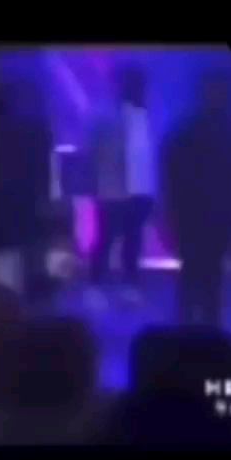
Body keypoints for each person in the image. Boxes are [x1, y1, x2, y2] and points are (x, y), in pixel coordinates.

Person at [161, 68, 231, 326]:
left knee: (205, 273)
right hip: (197, 215)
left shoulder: (223, 133)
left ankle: (197, 324)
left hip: (210, 215)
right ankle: (200, 325)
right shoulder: (195, 133)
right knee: (200, 273)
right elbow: (172, 174)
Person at [87, 62, 156, 307]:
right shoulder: (107, 116)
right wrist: (98, 184)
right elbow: (95, 152)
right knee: (105, 239)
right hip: (112, 190)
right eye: (133, 85)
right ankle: (95, 285)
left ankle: (130, 284)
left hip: (142, 190)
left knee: (133, 240)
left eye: (140, 85)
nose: (138, 89)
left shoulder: (149, 116)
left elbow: (150, 155)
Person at [0, 59, 52, 296]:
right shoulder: (29, 131)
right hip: (12, 210)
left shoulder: (26, 132)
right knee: (9, 269)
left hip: (8, 210)